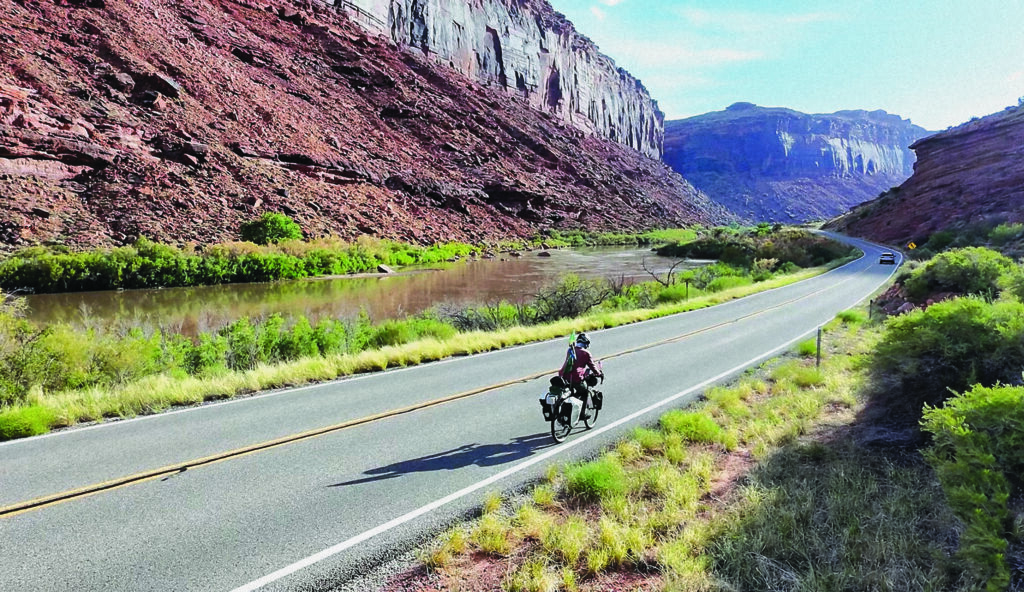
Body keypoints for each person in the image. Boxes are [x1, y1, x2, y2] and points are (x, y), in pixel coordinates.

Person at [556, 332, 602, 420]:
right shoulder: (586, 353)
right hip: (576, 378)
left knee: (570, 392)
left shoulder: (570, 350)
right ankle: (582, 414)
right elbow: (592, 366)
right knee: (584, 392)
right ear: (586, 343)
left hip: (564, 376)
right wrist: (598, 374)